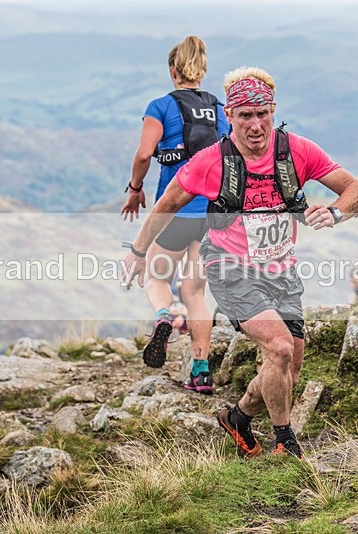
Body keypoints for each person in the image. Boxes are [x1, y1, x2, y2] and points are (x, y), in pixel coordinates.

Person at [122, 67, 358, 458]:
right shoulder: (211, 161)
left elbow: (356, 190)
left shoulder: (297, 151)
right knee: (280, 347)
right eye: (244, 116)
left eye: (262, 114)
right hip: (230, 267)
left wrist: (337, 212)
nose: (255, 125)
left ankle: (237, 417)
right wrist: (138, 251)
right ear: (230, 117)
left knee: (288, 369)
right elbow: (167, 204)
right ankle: (286, 443)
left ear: (273, 111)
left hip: (281, 269)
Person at [120, 35, 230, 395]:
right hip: (212, 214)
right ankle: (200, 370)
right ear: (203, 70)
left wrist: (135, 188)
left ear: (173, 71)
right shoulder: (218, 109)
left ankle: (163, 317)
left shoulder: (160, 106)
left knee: (156, 276)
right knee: (196, 292)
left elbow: (142, 155)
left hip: (176, 211)